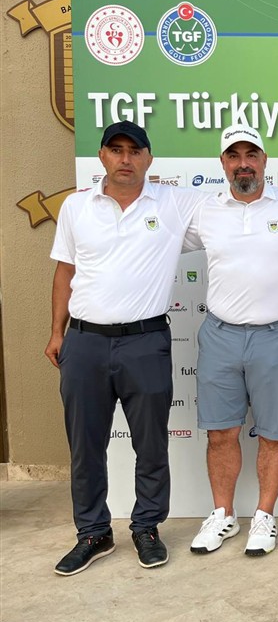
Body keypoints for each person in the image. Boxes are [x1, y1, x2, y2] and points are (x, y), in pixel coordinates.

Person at [46, 121, 207, 575]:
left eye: (134, 151)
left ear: (149, 158)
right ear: (101, 156)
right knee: (85, 446)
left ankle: (147, 528)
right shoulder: (76, 207)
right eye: (116, 149)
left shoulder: (174, 202)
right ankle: (93, 533)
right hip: (84, 343)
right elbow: (65, 272)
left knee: (151, 445)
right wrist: (57, 332)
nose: (125, 159)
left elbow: (238, 204)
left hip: (145, 342)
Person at [185, 125, 278, 557]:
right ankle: (223, 515)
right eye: (234, 156)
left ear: (264, 160)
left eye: (251, 154)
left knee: (274, 434)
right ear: (223, 163)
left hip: (277, 336)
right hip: (220, 334)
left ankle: (264, 516)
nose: (243, 164)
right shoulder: (204, 210)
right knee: (220, 433)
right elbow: (150, 234)